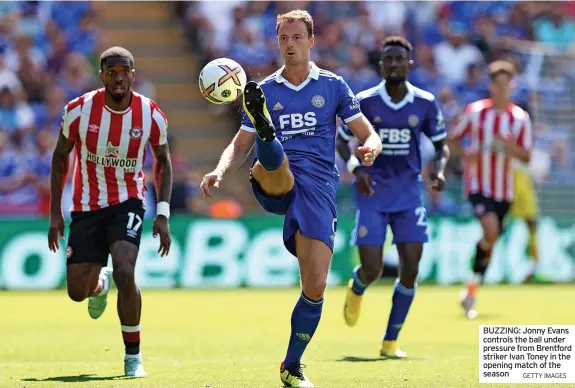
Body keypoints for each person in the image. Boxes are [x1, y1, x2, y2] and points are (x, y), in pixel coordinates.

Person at [200, 10, 381, 388]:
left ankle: (291, 365)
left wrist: (372, 147)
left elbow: (367, 132)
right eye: (283, 38)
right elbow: (238, 144)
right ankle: (269, 133)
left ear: (311, 41)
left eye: (297, 37)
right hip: (274, 178)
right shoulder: (264, 89)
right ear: (278, 42)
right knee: (272, 154)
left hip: (319, 188)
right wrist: (219, 170)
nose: (290, 44)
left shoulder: (333, 86)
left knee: (315, 287)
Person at [47, 47, 173, 377]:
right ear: (101, 75)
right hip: (86, 206)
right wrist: (55, 213)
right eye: (112, 71)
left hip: (128, 202)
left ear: (133, 74)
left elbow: (163, 162)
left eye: (125, 71)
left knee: (126, 269)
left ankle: (133, 357)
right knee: (77, 292)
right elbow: (60, 158)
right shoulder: (78, 111)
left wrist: (162, 213)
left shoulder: (150, 114)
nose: (119, 77)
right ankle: (99, 285)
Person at [337, 36, 449, 358]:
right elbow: (344, 141)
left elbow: (442, 146)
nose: (395, 64)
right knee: (371, 270)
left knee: (410, 268)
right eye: (389, 59)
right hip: (372, 192)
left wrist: (439, 171)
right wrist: (357, 168)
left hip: (409, 194)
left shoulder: (425, 102)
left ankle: (390, 341)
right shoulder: (366, 101)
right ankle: (357, 287)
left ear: (409, 64)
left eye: (400, 59)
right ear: (381, 64)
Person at [449, 60, 532, 318]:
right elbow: (453, 139)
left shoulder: (520, 118)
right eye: (497, 85)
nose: (502, 90)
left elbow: (527, 156)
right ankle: (472, 289)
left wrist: (511, 148)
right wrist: (466, 155)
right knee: (491, 230)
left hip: (504, 190)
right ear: (491, 86)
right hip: (478, 184)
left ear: (512, 86)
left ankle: (471, 292)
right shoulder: (475, 112)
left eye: (506, 85)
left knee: (491, 240)